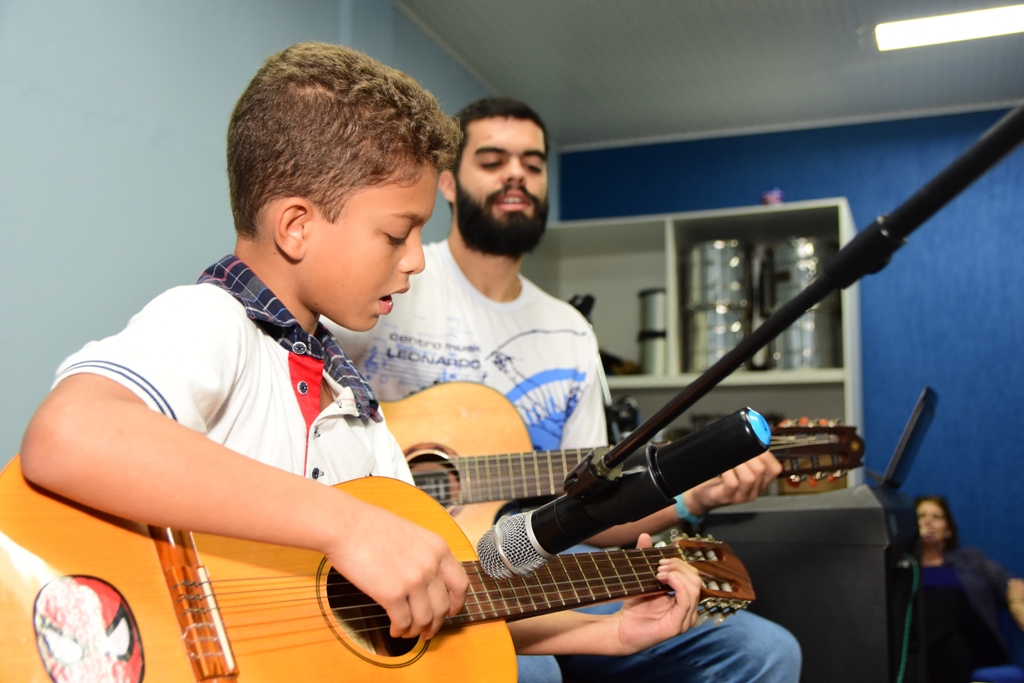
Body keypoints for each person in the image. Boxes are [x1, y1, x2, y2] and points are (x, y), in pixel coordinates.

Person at [18, 44, 706, 677]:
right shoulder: (215, 324)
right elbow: (69, 433)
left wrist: (603, 632)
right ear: (296, 225)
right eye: (397, 233)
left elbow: (438, 594)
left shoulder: (358, 413)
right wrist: (346, 523)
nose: (413, 262)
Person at [328, 96, 802, 682]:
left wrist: (693, 497)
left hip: (537, 562)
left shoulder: (568, 330)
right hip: (398, 562)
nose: (515, 176)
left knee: (762, 651)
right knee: (535, 673)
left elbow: (592, 508)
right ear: (448, 181)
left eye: (533, 162)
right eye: (493, 159)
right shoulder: (390, 274)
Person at [916, 495, 1024, 683]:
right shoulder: (901, 568)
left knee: (947, 596)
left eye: (937, 517)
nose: (928, 522)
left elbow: (1012, 583)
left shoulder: (971, 559)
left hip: (982, 646)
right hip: (938, 653)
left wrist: (1016, 604)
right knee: (952, 646)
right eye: (921, 516)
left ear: (948, 530)